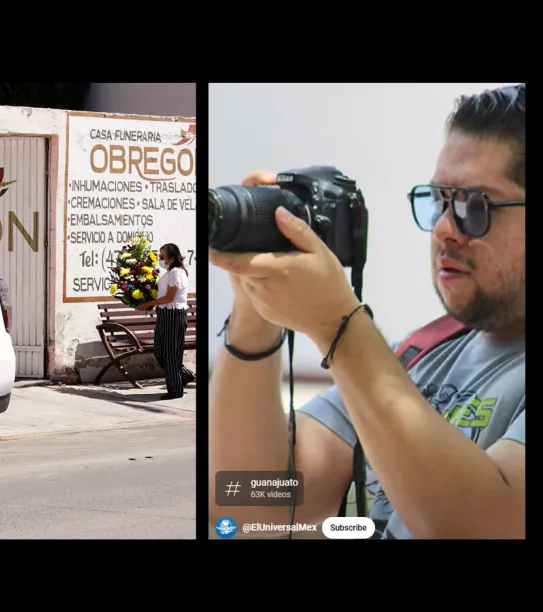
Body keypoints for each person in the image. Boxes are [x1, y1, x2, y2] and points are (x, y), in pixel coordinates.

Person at [207, 84, 525, 539]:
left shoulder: (373, 361)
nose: (443, 230)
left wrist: (340, 326)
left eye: (476, 206)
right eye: (439, 200)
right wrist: (254, 308)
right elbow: (250, 502)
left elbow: (479, 526)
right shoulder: (420, 354)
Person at [137, 243, 195, 399]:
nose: (159, 259)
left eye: (162, 257)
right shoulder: (169, 272)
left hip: (173, 315)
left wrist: (147, 304)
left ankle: (175, 389)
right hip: (164, 314)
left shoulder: (176, 273)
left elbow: (170, 297)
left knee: (171, 353)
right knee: (160, 350)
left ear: (172, 258)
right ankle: (184, 374)